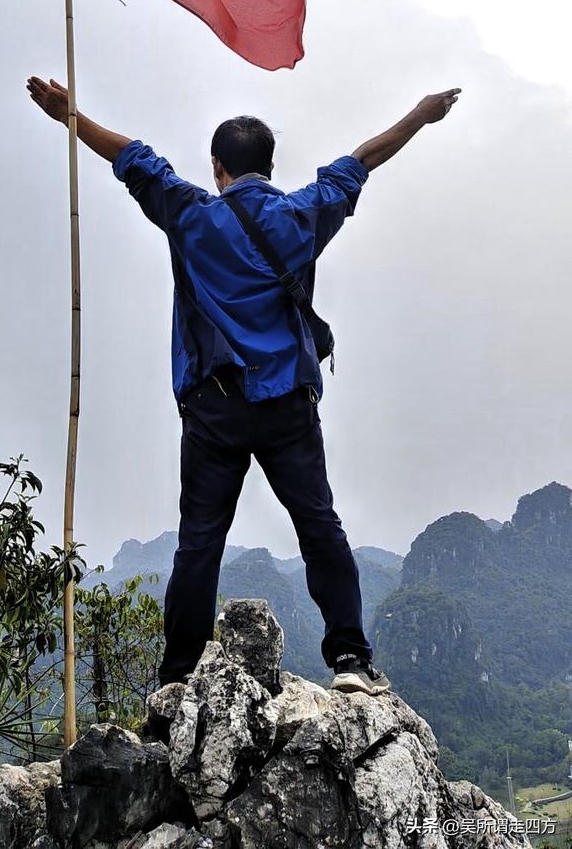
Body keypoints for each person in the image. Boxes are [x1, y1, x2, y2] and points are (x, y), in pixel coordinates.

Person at [27, 75, 461, 695]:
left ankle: (178, 677)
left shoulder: (192, 215)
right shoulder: (303, 213)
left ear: (217, 167)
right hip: (287, 404)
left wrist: (72, 116)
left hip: (214, 407)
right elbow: (362, 159)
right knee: (319, 527)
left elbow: (136, 161)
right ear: (270, 166)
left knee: (199, 543)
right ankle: (350, 660)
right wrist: (420, 114)